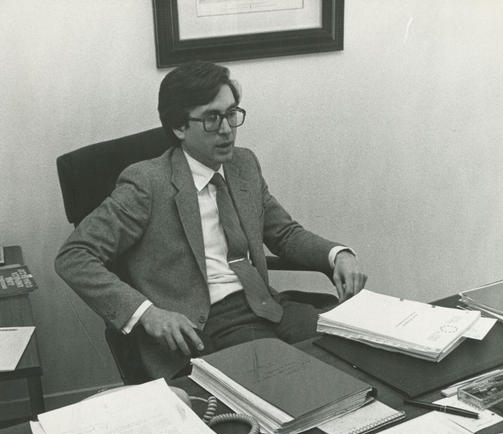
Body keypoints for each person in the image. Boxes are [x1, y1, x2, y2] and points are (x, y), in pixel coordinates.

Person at [55, 60, 367, 379]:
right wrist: (147, 313)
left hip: (268, 306)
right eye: (211, 118)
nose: (227, 129)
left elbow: (284, 233)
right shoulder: (147, 184)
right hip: (207, 324)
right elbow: (75, 256)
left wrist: (337, 255)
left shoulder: (243, 164)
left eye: (231, 114)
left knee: (354, 351)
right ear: (180, 128)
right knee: (296, 379)